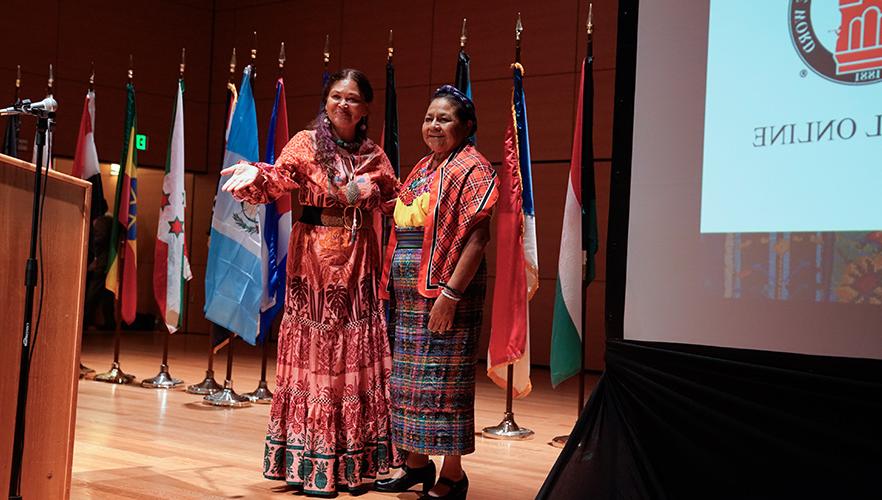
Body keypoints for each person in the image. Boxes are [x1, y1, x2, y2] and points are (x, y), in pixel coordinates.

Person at [221, 68, 401, 496]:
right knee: (317, 346)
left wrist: (370, 192)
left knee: (355, 348)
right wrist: (258, 177)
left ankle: (356, 461)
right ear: (326, 101)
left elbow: (396, 196)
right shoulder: (305, 144)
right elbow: (279, 178)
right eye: (337, 96)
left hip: (359, 255)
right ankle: (308, 459)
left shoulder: (374, 153)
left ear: (365, 108)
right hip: (314, 255)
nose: (344, 104)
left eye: (353, 98)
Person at [375, 85, 498, 500]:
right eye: (429, 118)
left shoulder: (474, 167)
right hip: (409, 295)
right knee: (410, 383)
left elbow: (478, 240)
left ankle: (453, 475)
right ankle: (414, 464)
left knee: (445, 384)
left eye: (444, 119)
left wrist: (450, 295)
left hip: (446, 291)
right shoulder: (424, 167)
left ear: (466, 126)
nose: (433, 126)